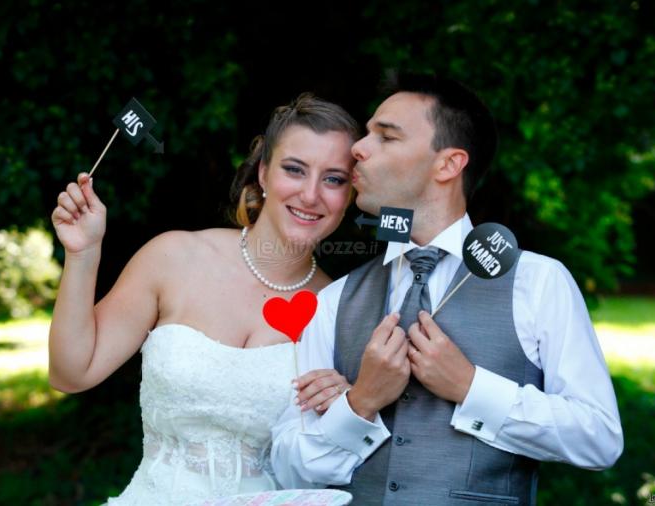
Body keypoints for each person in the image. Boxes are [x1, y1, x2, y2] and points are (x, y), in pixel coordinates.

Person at [271, 75, 624, 505]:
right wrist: (360, 402)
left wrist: (472, 387)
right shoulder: (335, 300)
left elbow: (599, 438)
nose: (357, 150)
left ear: (448, 164)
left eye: (385, 137)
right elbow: (288, 467)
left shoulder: (538, 282)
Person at [48, 94, 359, 505]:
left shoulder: (342, 309)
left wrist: (345, 407)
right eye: (294, 169)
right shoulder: (174, 257)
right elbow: (72, 372)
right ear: (263, 173)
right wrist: (82, 254)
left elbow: (329, 461)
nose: (311, 194)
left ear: (350, 195)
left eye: (334, 179)